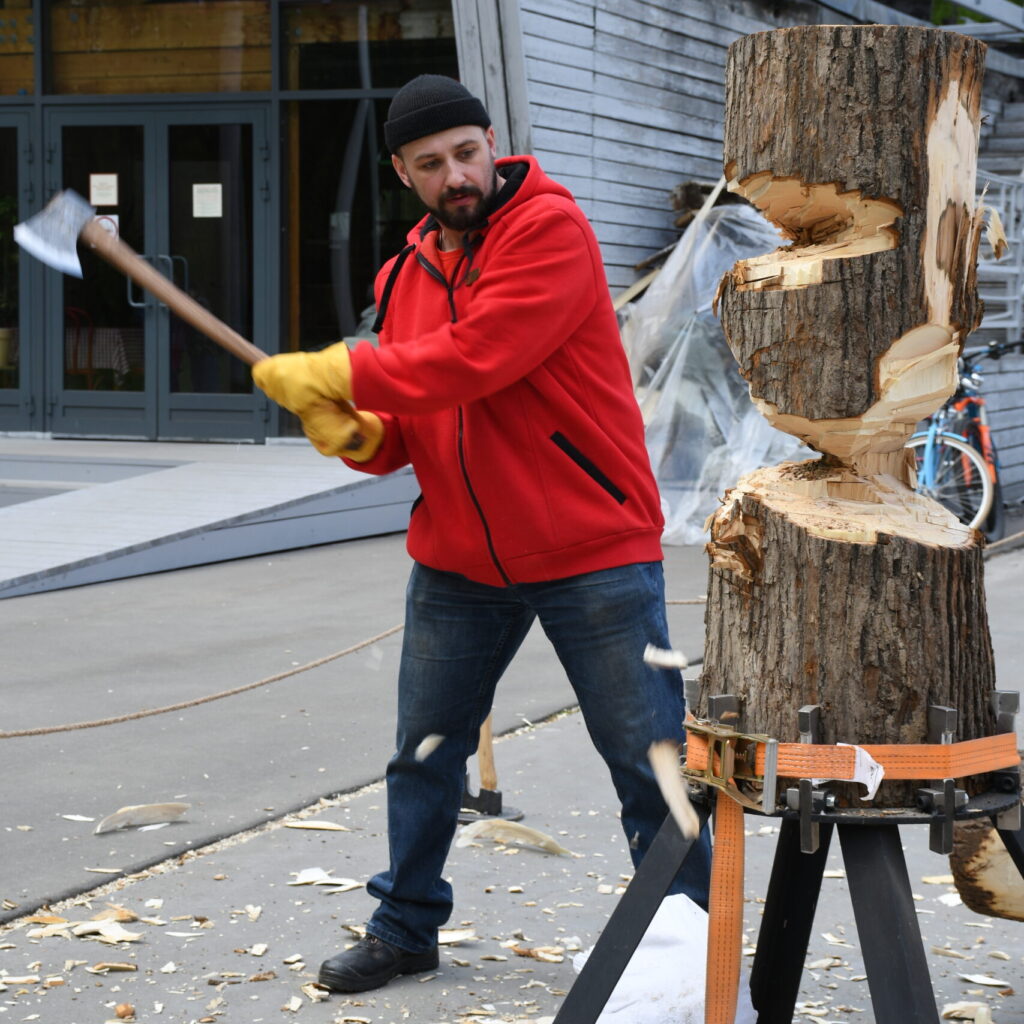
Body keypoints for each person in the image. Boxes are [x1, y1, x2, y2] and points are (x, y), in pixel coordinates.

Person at [252, 73, 712, 994]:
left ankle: (692, 947)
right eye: (431, 163)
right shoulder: (403, 273)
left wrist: (346, 367)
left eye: (467, 152)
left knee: (649, 758)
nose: (456, 174)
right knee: (422, 753)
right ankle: (405, 926)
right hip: (461, 557)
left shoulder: (551, 230)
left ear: (491, 141)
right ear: (403, 173)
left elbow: (480, 355)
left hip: (592, 545)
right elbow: (409, 424)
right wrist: (354, 430)